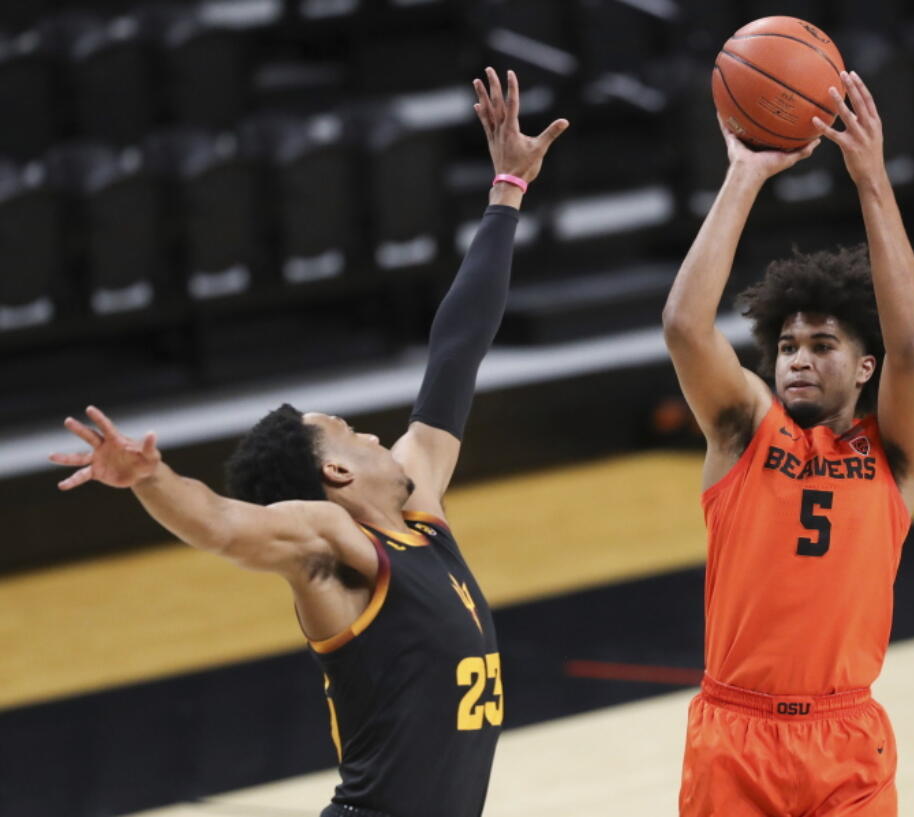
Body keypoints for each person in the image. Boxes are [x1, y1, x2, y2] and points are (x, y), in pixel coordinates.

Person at [49, 68, 568, 817]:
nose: (371, 432)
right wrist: (149, 478)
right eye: (349, 431)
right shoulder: (335, 542)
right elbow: (226, 525)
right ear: (331, 470)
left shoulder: (419, 514)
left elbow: (457, 349)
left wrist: (507, 191)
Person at [662, 71, 914, 817]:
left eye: (822, 344)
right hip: (736, 733)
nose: (799, 358)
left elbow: (912, 342)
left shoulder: (895, 453)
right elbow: (686, 328)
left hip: (848, 736)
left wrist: (871, 180)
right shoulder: (746, 427)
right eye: (787, 345)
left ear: (863, 366)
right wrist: (743, 177)